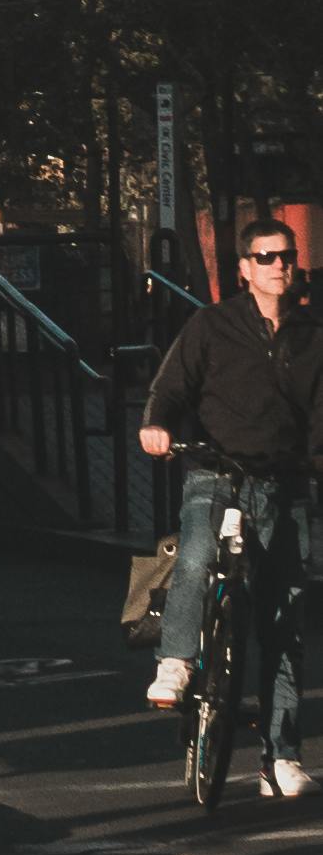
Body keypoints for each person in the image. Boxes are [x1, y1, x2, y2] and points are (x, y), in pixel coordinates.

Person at [140, 214, 323, 798]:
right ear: (244, 269)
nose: (279, 267)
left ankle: (279, 759)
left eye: (287, 257)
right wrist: (157, 427)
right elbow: (169, 390)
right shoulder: (212, 326)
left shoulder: (313, 334)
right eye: (266, 258)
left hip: (286, 485)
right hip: (217, 474)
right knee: (194, 556)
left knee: (284, 623)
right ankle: (176, 661)